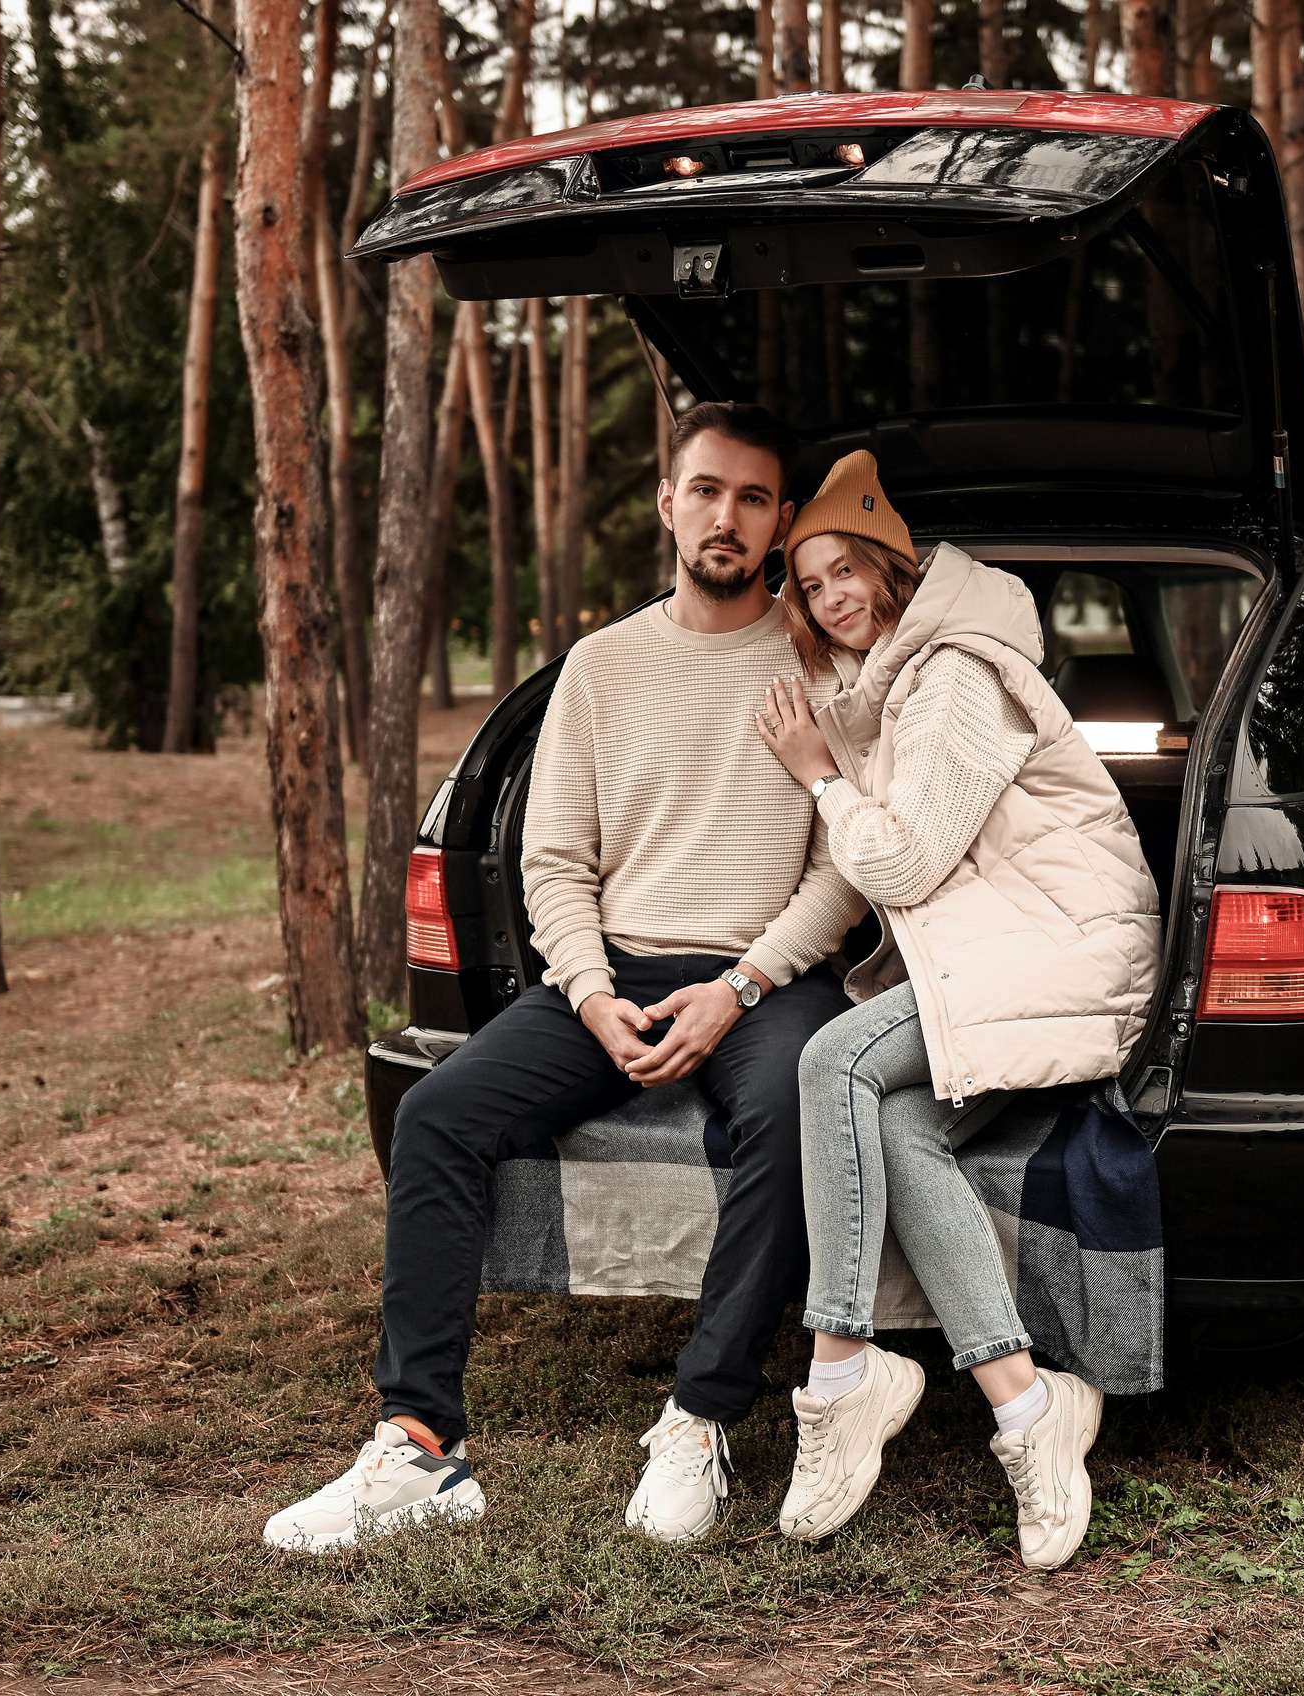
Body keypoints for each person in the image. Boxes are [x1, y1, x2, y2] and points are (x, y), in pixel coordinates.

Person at [265, 403, 863, 1554]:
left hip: (764, 978)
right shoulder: (600, 664)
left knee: (795, 1106)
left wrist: (737, 988)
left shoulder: (823, 661)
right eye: (706, 490)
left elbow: (846, 867)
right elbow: (554, 860)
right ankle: (418, 1448)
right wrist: (590, 994)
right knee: (438, 1112)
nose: (725, 517)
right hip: (611, 971)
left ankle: (699, 1416)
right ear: (667, 501)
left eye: (751, 498)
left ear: (783, 520)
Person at [752, 452, 1162, 1571]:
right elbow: (883, 868)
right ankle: (1030, 1410)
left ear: (892, 566)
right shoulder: (884, 690)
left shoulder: (953, 675)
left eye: (847, 570)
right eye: (810, 583)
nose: (833, 596)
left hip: (1069, 950)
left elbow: (905, 857)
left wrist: (817, 775)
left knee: (834, 1065)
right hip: (994, 950)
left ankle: (840, 1374)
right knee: (892, 1124)